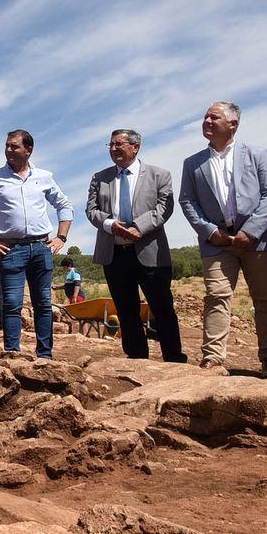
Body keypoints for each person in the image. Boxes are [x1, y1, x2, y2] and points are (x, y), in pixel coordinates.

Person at [179, 102, 267, 377]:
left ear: (233, 124)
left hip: (257, 240)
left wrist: (250, 231)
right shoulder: (192, 163)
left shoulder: (256, 154)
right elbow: (187, 201)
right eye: (205, 116)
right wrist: (209, 231)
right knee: (216, 296)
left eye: (214, 117)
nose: (207, 121)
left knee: (265, 299)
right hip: (216, 243)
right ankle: (213, 359)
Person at [0, 130, 74, 358]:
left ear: (28, 150)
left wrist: (61, 237)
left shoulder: (43, 177)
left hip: (42, 247)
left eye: (14, 146)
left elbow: (64, 205)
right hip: (11, 249)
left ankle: (45, 355)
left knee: (43, 303)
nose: (9, 150)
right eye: (7, 146)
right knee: (11, 304)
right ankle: (13, 354)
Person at [85, 128, 187, 362]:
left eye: (118, 144)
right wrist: (110, 224)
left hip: (150, 252)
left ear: (135, 147)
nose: (113, 149)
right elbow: (91, 211)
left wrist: (138, 227)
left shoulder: (159, 175)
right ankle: (137, 357)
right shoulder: (99, 178)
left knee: (162, 306)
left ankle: (173, 357)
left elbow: (164, 207)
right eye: (110, 145)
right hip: (114, 253)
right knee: (125, 308)